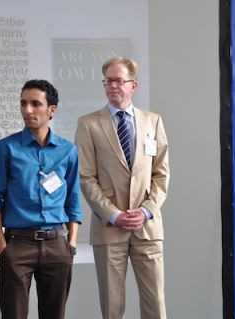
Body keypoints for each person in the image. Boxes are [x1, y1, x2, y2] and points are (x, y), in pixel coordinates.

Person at [75, 57, 170, 319]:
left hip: (147, 228)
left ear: (133, 85)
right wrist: (115, 215)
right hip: (109, 229)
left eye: (118, 80)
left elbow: (161, 175)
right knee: (112, 308)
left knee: (156, 307)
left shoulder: (153, 121)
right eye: (108, 80)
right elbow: (86, 178)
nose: (112, 85)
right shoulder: (89, 124)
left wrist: (146, 211)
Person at [0, 79, 82, 319]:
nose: (27, 110)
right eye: (23, 104)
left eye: (35, 104)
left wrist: (71, 244)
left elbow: (73, 198)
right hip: (18, 245)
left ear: (52, 110)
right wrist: (2, 247)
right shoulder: (5, 148)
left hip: (57, 245)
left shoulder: (68, 151)